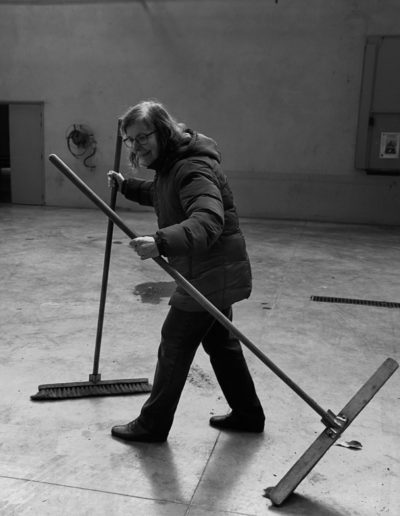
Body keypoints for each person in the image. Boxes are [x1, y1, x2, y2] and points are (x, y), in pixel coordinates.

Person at [108, 100, 265, 442]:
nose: (136, 146)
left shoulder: (192, 167)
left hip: (208, 274)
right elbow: (163, 193)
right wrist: (126, 186)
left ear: (162, 131)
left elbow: (208, 220)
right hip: (215, 271)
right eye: (129, 140)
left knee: (175, 343)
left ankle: (153, 425)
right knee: (221, 343)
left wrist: (161, 242)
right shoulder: (173, 165)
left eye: (142, 136)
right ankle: (249, 413)